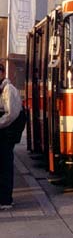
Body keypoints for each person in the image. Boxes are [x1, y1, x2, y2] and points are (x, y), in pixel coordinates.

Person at [0, 63, 21, 210]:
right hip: (2, 132)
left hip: (5, 134)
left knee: (5, 166)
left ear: (2, 73)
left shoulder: (8, 89)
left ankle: (6, 199)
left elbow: (11, 114)